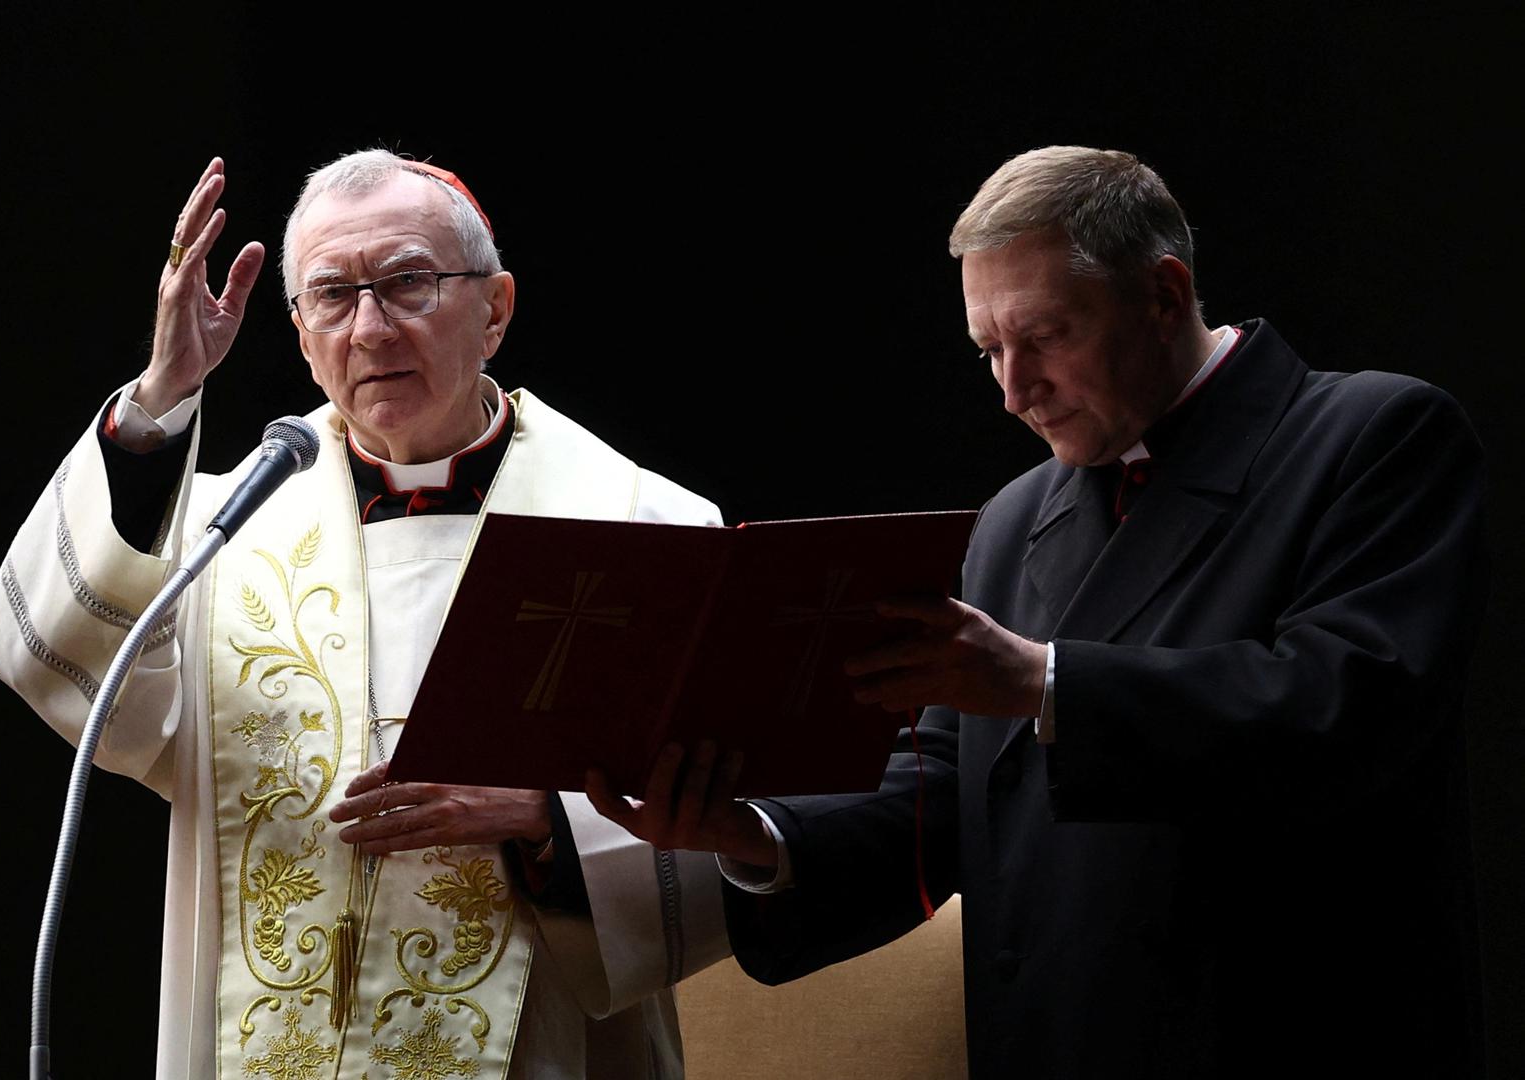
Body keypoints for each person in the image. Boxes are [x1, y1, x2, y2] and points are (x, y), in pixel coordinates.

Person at [587, 146, 1488, 1078]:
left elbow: (1349, 710)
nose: (1015, 392)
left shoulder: (1375, 436)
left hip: (1298, 1033)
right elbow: (945, 786)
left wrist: (1044, 680)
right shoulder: (1015, 519)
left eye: (1046, 336)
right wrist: (756, 834)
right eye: (990, 352)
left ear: (1165, 294)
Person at [0, 151, 730, 1079]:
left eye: (408, 282)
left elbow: (735, 826)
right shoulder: (219, 534)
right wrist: (160, 399)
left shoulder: (645, 528)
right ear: (298, 335)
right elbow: (50, 648)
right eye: (332, 295)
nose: (370, 328)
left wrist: (549, 821)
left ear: (495, 309)